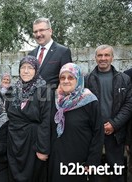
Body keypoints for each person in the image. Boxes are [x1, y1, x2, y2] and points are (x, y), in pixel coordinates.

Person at [48, 63, 103, 182]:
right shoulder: (55, 100)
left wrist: (92, 161)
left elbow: (98, 132)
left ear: (78, 79)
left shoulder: (89, 101)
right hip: (57, 159)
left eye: (70, 77)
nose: (66, 81)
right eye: (62, 78)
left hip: (80, 161)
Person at [85, 44, 132, 182]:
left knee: (116, 169)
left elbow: (129, 105)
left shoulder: (124, 79)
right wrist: (97, 125)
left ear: (112, 57)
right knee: (94, 170)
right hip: (94, 132)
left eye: (106, 55)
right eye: (100, 55)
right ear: (95, 58)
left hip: (115, 132)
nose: (103, 58)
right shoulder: (87, 80)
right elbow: (84, 107)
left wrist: (114, 124)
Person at [6, 55, 51, 182]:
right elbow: (7, 115)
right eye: (23, 67)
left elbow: (46, 121)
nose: (26, 71)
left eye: (30, 68)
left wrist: (43, 149)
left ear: (36, 70)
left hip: (33, 142)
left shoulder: (44, 90)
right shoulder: (12, 90)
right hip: (14, 142)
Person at [28, 17, 72, 88]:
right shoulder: (31, 55)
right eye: (35, 32)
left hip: (53, 97)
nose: (38, 34)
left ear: (50, 31)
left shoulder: (63, 52)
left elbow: (68, 78)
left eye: (41, 30)